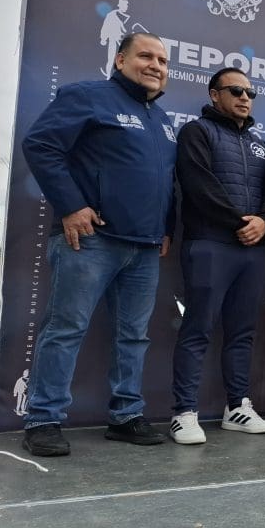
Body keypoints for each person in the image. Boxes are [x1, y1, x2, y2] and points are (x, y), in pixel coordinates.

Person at [20, 33, 176, 456]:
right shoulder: (88, 96)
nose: (156, 66)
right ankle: (44, 419)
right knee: (65, 329)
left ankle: (126, 415)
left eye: (163, 60)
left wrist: (165, 228)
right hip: (90, 241)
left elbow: (165, 182)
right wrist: (71, 206)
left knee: (134, 336)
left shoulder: (161, 119)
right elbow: (40, 144)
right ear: (120, 59)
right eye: (146, 56)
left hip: (144, 248)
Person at [169, 67, 265, 444]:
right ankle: (184, 412)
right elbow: (199, 186)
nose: (245, 98)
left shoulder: (261, 144)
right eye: (236, 91)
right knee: (198, 327)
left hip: (251, 249)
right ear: (215, 94)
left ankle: (237, 407)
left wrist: (263, 221)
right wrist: (240, 222)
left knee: (243, 331)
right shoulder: (197, 132)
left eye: (250, 92)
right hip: (210, 243)